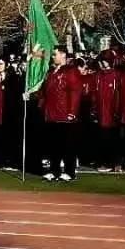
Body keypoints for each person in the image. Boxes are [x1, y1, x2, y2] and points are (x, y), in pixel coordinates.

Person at [38, 45, 82, 181]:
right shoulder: (51, 72)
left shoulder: (71, 71)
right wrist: (40, 104)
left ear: (63, 55)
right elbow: (44, 92)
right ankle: (54, 170)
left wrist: (72, 111)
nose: (53, 57)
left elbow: (75, 92)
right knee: (53, 145)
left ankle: (69, 171)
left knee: (67, 144)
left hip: (65, 114)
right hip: (51, 113)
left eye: (55, 54)